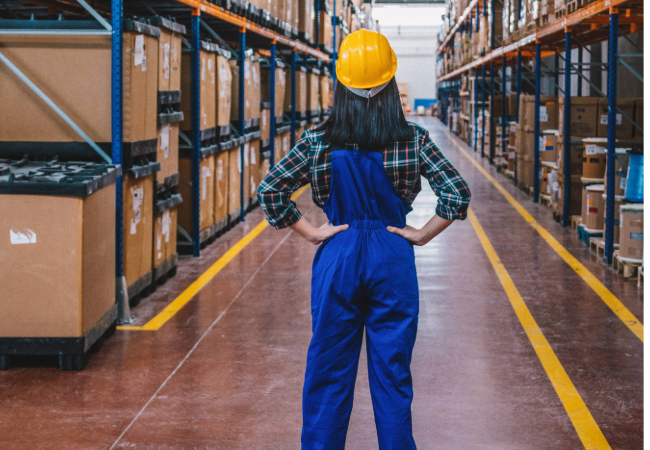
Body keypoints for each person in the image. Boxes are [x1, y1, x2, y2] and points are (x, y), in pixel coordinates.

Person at [257, 29, 471, 450]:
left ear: (341, 85)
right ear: (391, 84)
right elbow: (457, 192)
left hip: (338, 252)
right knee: (392, 375)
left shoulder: (318, 142)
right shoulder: (413, 140)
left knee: (328, 371)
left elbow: (271, 191)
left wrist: (313, 232)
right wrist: (422, 235)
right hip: (393, 256)